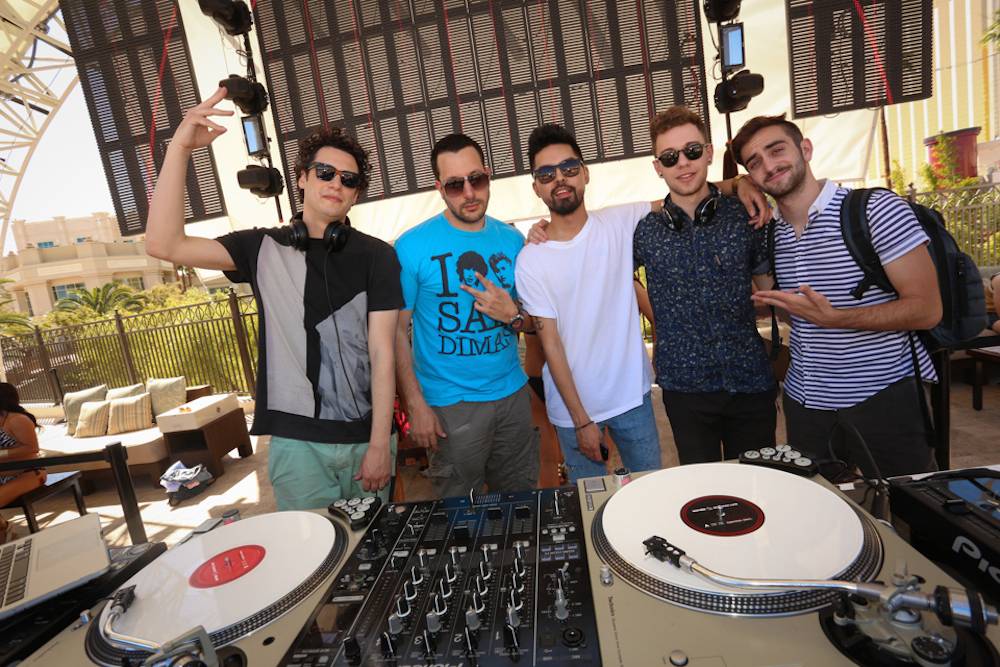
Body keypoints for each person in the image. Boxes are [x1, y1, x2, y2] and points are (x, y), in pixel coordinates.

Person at [146, 87, 402, 510]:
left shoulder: (379, 256)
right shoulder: (260, 248)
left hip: (367, 440)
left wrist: (379, 444)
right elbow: (163, 243)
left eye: (349, 179)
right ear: (302, 177)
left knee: (373, 543)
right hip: (297, 445)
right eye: (325, 172)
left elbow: (382, 353)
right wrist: (180, 149)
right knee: (310, 548)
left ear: (356, 194)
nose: (336, 183)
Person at [731, 114, 942, 478]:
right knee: (820, 506)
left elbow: (927, 309)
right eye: (755, 162)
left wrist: (837, 318)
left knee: (909, 502)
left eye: (777, 150)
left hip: (884, 394)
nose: (769, 165)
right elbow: (796, 314)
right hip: (806, 401)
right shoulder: (771, 234)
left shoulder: (875, 210)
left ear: (805, 149)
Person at [514, 124, 663, 482]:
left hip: (633, 398)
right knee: (589, 503)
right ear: (536, 187)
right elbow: (550, 344)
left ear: (585, 173)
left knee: (651, 492)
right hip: (572, 413)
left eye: (568, 168)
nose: (559, 179)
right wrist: (582, 421)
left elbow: (684, 195)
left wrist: (739, 184)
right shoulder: (531, 259)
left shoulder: (619, 221)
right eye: (546, 174)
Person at [394, 133, 539, 497]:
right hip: (449, 404)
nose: (470, 193)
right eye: (455, 185)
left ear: (488, 175)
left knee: (520, 502)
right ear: (439, 188)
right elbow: (395, 332)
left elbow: (535, 320)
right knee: (461, 511)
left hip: (512, 396)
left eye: (477, 179)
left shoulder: (512, 240)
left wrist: (513, 314)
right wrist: (415, 404)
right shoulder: (412, 246)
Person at [633, 106, 776, 464]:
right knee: (704, 490)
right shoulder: (643, 230)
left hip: (750, 379)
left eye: (692, 151)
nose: (683, 162)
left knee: (761, 483)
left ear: (709, 153)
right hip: (685, 388)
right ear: (658, 167)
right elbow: (605, 268)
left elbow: (771, 292)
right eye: (670, 157)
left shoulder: (744, 213)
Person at [0, 383, 44, 543]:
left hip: (29, 472)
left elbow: (32, 448)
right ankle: (4, 530)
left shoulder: (17, 419)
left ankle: (5, 531)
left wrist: (2, 453)